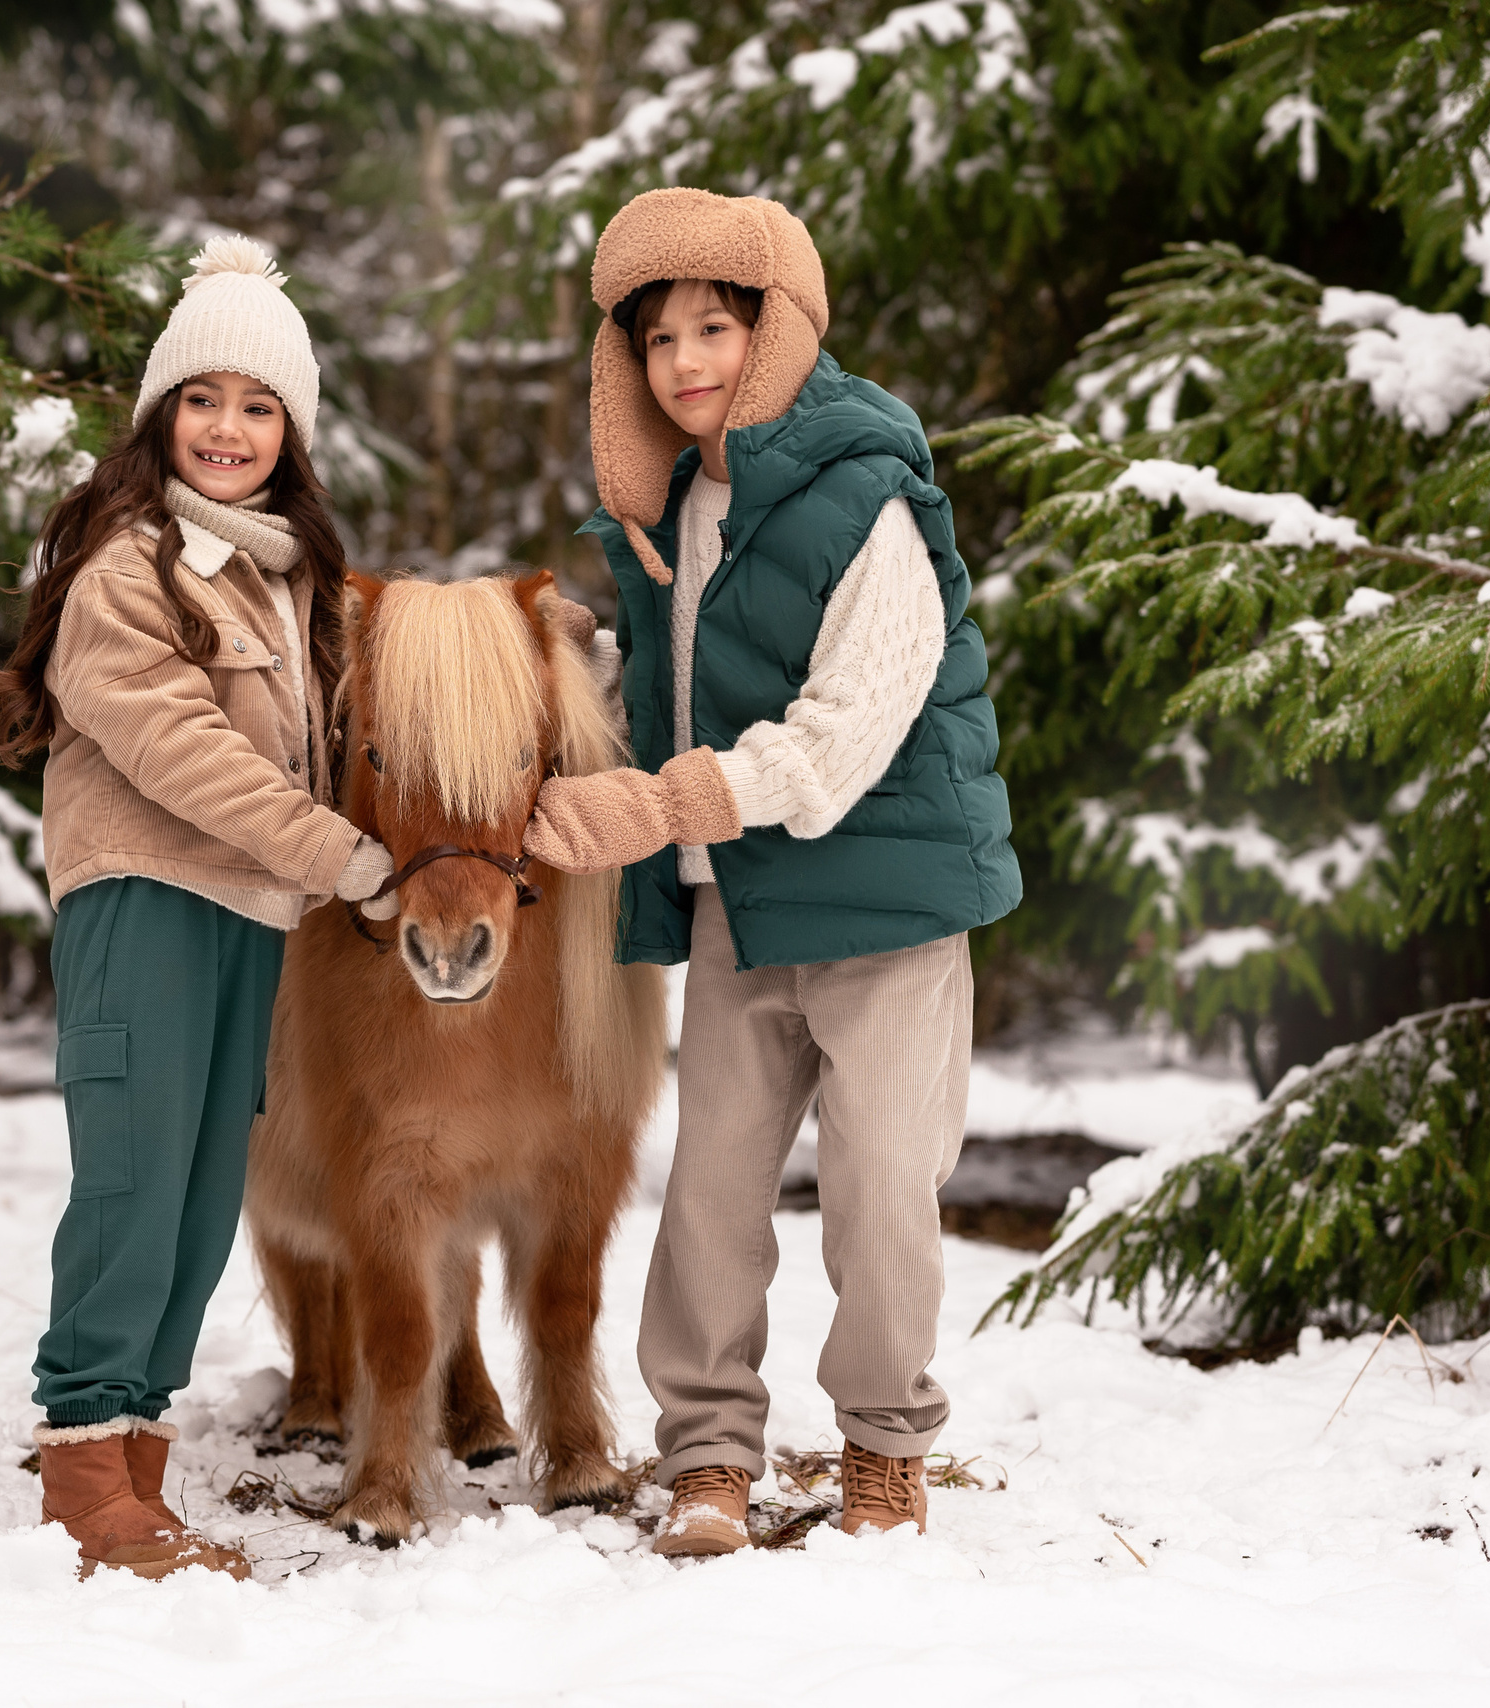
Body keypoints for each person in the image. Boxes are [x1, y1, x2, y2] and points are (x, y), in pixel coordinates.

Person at [521, 188, 1021, 1552]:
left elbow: (850, 728)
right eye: (655, 340)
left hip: (890, 904)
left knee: (879, 1201)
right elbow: (685, 692)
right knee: (712, 1196)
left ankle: (882, 1448)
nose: (684, 361)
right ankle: (710, 1458)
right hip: (740, 901)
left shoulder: (871, 494)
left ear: (780, 328)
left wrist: (669, 800)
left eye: (715, 328)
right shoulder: (678, 509)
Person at [0, 235, 395, 1581]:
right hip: (146, 899)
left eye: (259, 406)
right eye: (203, 400)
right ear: (162, 418)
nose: (229, 427)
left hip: (250, 918)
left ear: (292, 432)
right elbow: (184, 754)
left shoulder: (285, 576)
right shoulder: (128, 570)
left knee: (207, 1196)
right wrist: (345, 858)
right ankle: (86, 1463)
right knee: (137, 1180)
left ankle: (137, 1467)